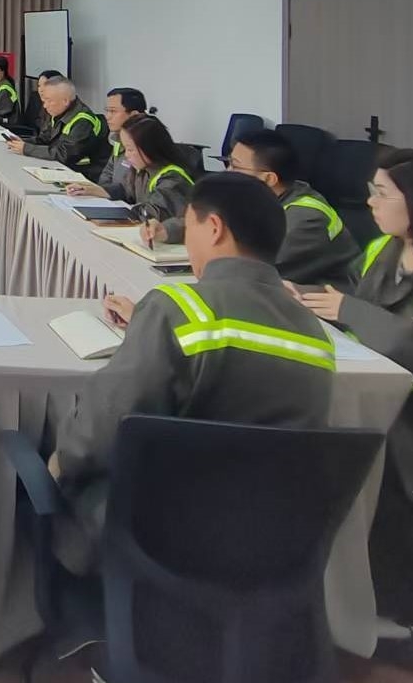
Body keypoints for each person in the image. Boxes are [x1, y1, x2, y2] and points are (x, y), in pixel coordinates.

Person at [48, 172, 334, 573]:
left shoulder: (177, 307)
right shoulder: (315, 334)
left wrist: (60, 460)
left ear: (214, 228)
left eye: (190, 227)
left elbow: (99, 430)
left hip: (162, 533)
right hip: (270, 543)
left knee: (53, 461)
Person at [293, 152, 413, 634]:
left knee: (353, 447)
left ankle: (409, 610)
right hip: (381, 394)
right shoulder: (383, 247)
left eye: (382, 194)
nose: (370, 202)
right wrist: (304, 297)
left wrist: (350, 311)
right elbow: (349, 302)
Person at [150, 130, 359, 286]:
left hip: (327, 316)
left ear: (268, 178)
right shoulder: (257, 198)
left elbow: (250, 267)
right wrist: (167, 230)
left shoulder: (307, 218)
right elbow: (208, 220)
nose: (228, 172)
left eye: (235, 166)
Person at [65, 115, 194, 223]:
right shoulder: (143, 170)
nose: (126, 155)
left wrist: (119, 211)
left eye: (130, 149)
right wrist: (94, 190)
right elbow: (126, 191)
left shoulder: (172, 178)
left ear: (149, 148)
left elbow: (153, 214)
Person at [9, 77, 111, 181]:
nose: (45, 106)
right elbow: (44, 139)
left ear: (65, 101)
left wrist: (27, 149)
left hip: (86, 174)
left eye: (49, 101)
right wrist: (21, 142)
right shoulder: (59, 112)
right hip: (65, 168)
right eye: (44, 101)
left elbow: (64, 155)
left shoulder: (83, 121)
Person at [94, 87, 153, 197]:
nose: (107, 117)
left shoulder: (147, 144)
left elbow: (134, 191)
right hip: (113, 199)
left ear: (134, 115)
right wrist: (100, 192)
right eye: (107, 111)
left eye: (113, 111)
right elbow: (108, 173)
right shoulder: (118, 138)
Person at [19, 68, 63, 134]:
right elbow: (26, 123)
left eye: (45, 85)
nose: (41, 90)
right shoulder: (35, 98)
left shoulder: (61, 107)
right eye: (39, 86)